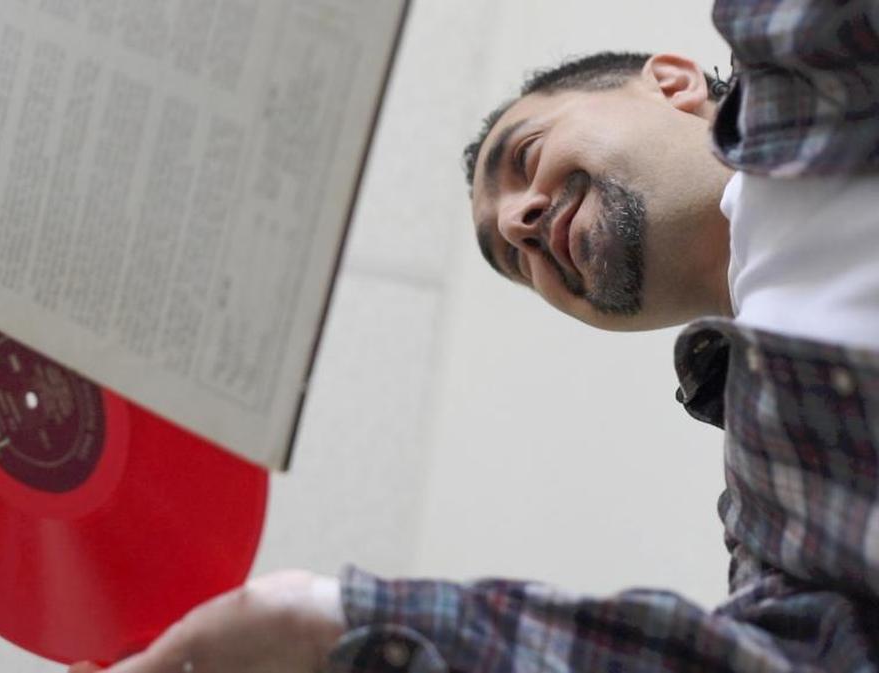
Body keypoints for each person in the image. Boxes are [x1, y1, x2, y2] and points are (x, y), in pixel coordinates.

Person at [73, 1, 879, 671]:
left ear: (670, 84)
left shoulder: (809, 42)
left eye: (525, 156)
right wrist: (321, 627)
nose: (520, 224)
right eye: (510, 259)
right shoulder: (774, 523)